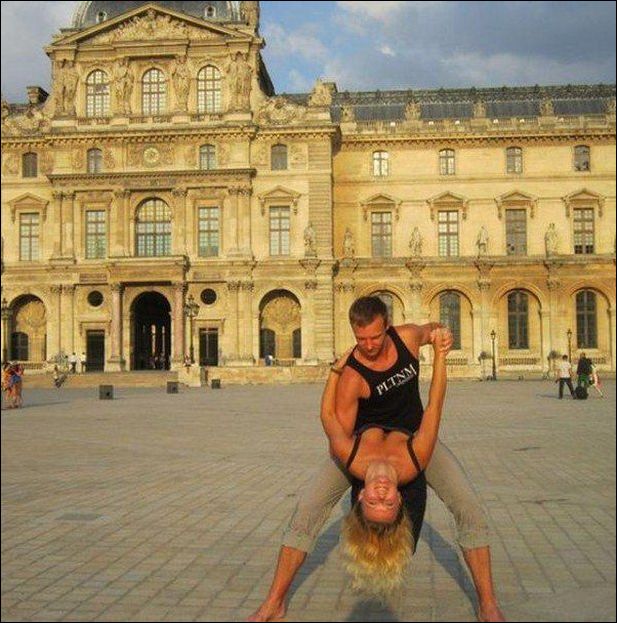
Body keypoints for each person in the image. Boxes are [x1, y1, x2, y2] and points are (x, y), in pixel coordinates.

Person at [250, 296, 505, 623]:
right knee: (307, 510)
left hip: (416, 437)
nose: (368, 345)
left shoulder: (407, 338)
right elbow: (336, 426)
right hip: (362, 445)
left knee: (469, 506)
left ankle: (488, 604)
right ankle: (274, 601)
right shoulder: (353, 376)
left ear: (388, 327)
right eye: (360, 339)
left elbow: (430, 339)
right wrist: (349, 457)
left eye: (375, 337)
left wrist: (440, 335)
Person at [323, 327, 449, 595]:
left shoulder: (352, 458)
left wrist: (335, 372)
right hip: (408, 429)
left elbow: (328, 418)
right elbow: (435, 405)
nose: (381, 494)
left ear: (360, 496)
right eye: (388, 502)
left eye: (373, 502)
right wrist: (440, 355)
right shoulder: (415, 459)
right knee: (470, 507)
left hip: (365, 430)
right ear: (400, 498)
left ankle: (273, 600)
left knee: (306, 510)